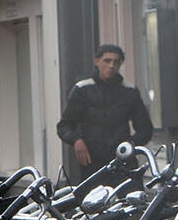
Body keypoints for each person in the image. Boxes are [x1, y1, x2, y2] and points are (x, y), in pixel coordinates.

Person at [57, 43, 153, 175]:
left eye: (116, 62)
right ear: (97, 62)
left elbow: (145, 129)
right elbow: (64, 126)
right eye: (107, 61)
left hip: (122, 163)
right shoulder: (83, 89)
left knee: (130, 195)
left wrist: (129, 145)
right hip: (91, 163)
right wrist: (76, 140)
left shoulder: (129, 92)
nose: (111, 66)